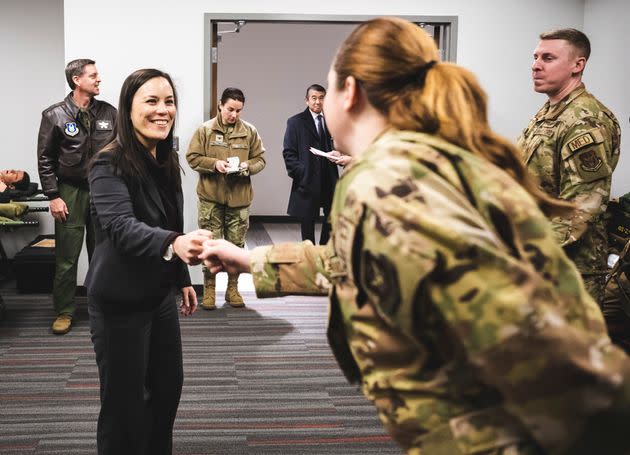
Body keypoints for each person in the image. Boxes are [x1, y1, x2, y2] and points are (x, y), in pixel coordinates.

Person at [200, 17, 630, 455]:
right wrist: (250, 260)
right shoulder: (415, 160)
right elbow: (356, 262)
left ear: (349, 92)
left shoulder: (388, 181)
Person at [86, 68, 211, 455]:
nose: (163, 110)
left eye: (169, 101)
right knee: (123, 405)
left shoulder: (166, 157)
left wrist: (183, 278)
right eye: (151, 101)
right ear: (128, 108)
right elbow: (122, 227)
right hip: (119, 300)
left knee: (167, 387)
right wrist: (175, 244)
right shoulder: (107, 164)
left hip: (157, 295)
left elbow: (170, 220)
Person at [517, 28, 621, 303]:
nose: (535, 65)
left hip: (569, 270)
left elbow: (583, 204)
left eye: (548, 58)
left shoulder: (585, 120)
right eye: (536, 56)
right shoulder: (549, 113)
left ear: (578, 65)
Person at [37, 59, 117, 335]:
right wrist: (53, 195)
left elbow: (121, 150)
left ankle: (103, 306)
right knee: (67, 257)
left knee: (103, 253)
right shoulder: (54, 115)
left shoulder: (109, 112)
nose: (99, 79)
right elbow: (45, 158)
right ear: (76, 80)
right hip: (70, 190)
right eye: (93, 76)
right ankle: (64, 311)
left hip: (103, 189)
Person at [186, 87, 266, 310]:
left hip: (239, 201)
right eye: (230, 109)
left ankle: (233, 289)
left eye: (239, 110)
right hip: (211, 199)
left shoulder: (249, 131)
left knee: (236, 246)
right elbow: (192, 158)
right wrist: (214, 164)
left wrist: (246, 167)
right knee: (208, 244)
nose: (234, 114)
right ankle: (209, 290)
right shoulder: (205, 130)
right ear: (220, 105)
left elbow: (260, 159)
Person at [282, 84, 340, 245]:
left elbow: (341, 145)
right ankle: (308, 254)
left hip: (328, 177)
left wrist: (339, 155)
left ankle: (322, 251)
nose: (317, 102)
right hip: (307, 179)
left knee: (332, 217)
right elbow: (289, 152)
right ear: (307, 100)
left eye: (321, 98)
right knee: (307, 220)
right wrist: (301, 172)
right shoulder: (295, 122)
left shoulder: (332, 121)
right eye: (314, 98)